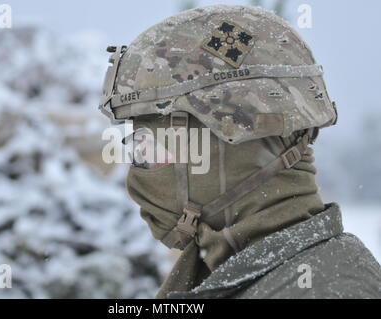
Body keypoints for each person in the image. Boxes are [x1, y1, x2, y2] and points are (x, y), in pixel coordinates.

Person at [99, 5, 381, 298]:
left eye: (149, 148)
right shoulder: (241, 276)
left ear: (231, 139)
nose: (137, 175)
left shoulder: (325, 289)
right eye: (136, 149)